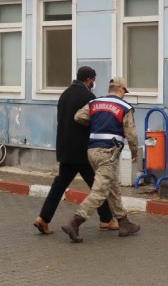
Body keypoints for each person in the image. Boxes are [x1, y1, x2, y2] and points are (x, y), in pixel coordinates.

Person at [33, 67, 117, 235]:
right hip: (82, 151)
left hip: (65, 148)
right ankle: (107, 219)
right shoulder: (88, 97)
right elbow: (94, 122)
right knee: (97, 185)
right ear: (88, 80)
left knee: (59, 185)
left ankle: (43, 218)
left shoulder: (64, 95)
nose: (93, 83)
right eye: (93, 80)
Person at [61, 77, 140, 243]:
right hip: (108, 152)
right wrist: (134, 152)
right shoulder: (125, 107)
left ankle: (124, 223)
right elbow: (131, 133)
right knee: (100, 191)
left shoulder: (95, 102)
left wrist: (97, 122)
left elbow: (78, 117)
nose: (124, 95)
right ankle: (75, 221)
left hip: (92, 151)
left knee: (112, 186)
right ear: (121, 90)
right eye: (124, 92)